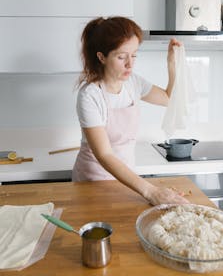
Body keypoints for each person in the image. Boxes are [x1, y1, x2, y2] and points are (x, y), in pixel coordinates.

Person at [72, 16, 188, 205]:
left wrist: (172, 64)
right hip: (92, 182)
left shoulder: (133, 82)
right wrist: (151, 192)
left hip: (128, 182)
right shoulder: (90, 95)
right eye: (121, 56)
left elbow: (168, 99)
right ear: (101, 57)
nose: (130, 64)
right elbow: (105, 155)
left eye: (134, 55)